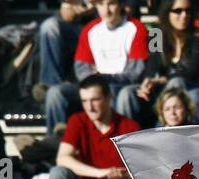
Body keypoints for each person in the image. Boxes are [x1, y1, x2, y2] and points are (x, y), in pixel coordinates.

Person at [44, 0, 148, 134]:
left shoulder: (136, 28)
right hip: (94, 84)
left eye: (111, 4)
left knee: (124, 95)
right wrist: (94, 80)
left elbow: (135, 73)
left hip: (120, 85)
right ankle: (55, 143)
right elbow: (81, 69)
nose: (106, 10)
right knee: (56, 93)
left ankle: (122, 145)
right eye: (100, 4)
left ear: (121, 5)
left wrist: (104, 78)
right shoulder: (90, 29)